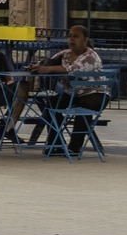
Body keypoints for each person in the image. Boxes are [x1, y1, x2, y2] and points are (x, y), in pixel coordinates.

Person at [25, 23, 106, 155]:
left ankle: (74, 147)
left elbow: (72, 69)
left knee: (84, 108)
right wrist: (37, 66)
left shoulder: (90, 56)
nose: (71, 39)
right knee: (51, 105)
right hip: (72, 94)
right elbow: (50, 62)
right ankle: (55, 143)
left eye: (76, 36)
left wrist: (47, 69)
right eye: (69, 36)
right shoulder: (65, 54)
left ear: (85, 39)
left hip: (94, 94)